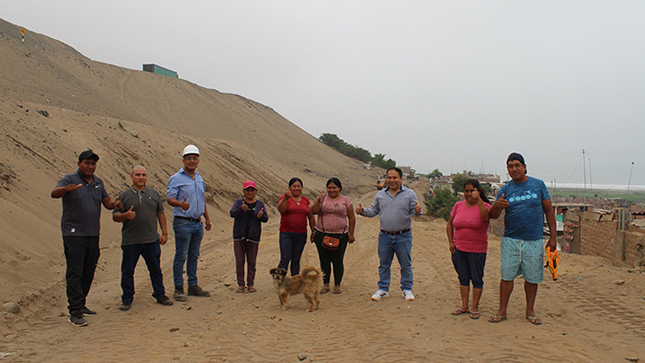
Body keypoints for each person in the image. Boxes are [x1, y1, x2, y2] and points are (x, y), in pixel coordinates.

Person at [51, 149, 123, 327]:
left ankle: (81, 303)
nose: (90, 166)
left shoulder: (98, 182)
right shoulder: (70, 179)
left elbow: (106, 204)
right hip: (74, 234)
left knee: (89, 269)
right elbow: (54, 193)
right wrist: (65, 190)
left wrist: (115, 204)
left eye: (93, 164)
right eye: (87, 163)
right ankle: (74, 310)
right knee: (75, 271)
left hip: (93, 233)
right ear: (79, 164)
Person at [488, 152, 557, 325]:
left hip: (533, 239)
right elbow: (493, 215)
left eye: (517, 165)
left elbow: (549, 211)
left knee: (532, 278)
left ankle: (530, 311)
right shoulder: (504, 190)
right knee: (507, 276)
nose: (514, 169)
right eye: (510, 166)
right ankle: (502, 311)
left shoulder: (538, 185)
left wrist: (553, 237)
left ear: (525, 167)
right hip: (511, 240)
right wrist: (497, 206)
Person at [356, 167, 422, 302]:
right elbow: (373, 211)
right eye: (389, 178)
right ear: (386, 179)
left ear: (401, 179)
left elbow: (415, 213)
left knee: (405, 264)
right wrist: (362, 211)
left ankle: (407, 289)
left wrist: (417, 211)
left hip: (403, 235)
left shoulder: (410, 194)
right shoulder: (380, 195)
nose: (392, 180)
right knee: (384, 264)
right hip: (385, 236)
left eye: (395, 178)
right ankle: (383, 289)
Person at [113, 166, 173, 311]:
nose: (141, 177)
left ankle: (160, 294)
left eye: (144, 175)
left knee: (155, 269)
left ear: (147, 177)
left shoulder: (153, 194)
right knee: (128, 271)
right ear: (131, 177)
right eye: (138, 175)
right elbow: (115, 216)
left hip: (151, 240)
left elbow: (160, 213)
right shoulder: (124, 196)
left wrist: (164, 233)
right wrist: (124, 216)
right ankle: (127, 298)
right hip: (131, 241)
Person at [166, 144, 212, 301]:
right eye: (189, 158)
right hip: (183, 222)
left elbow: (202, 199)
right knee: (181, 255)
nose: (192, 161)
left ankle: (193, 286)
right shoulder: (176, 178)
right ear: (183, 160)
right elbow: (169, 198)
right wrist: (181, 204)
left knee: (194, 255)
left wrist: (207, 218)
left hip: (197, 223)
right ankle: (178, 288)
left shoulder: (199, 178)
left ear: (198, 160)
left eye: (194, 158)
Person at [446, 179, 492, 320]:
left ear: (478, 191)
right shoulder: (458, 205)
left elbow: (485, 218)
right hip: (459, 249)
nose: (469, 194)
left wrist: (478, 201)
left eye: (472, 190)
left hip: (477, 249)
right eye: (466, 191)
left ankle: (475, 307)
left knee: (477, 278)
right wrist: (451, 242)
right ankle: (464, 306)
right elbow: (450, 225)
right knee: (463, 277)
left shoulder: (485, 206)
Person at [310, 177, 356, 294]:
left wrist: (351, 233)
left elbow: (351, 217)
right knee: (324, 260)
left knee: (338, 260)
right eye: (329, 188)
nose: (332, 190)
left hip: (341, 235)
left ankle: (337, 285)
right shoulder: (322, 198)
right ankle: (325, 284)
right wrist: (318, 201)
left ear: (339, 188)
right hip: (322, 233)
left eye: (334, 187)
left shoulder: (346, 200)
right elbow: (313, 211)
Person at [229, 180, 269, 293]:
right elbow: (232, 213)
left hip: (253, 237)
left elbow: (265, 218)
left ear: (256, 191)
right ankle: (240, 285)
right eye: (248, 190)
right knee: (240, 261)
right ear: (243, 191)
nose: (250, 192)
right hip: (239, 236)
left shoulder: (260, 204)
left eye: (252, 190)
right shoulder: (238, 202)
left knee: (252, 262)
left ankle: (250, 284)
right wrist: (240, 210)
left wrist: (261, 216)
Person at [277, 177, 316, 276]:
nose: (296, 188)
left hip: (301, 235)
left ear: (302, 188)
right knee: (285, 258)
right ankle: (280, 280)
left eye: (299, 186)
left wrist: (313, 231)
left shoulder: (305, 201)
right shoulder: (284, 198)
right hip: (286, 234)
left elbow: (311, 217)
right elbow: (281, 209)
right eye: (294, 186)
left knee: (296, 259)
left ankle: (295, 281)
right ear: (289, 187)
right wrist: (286, 198)